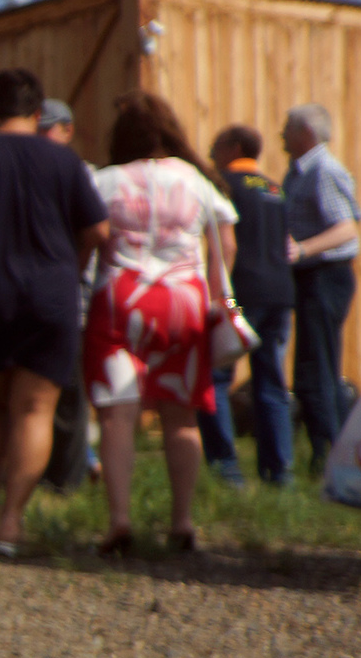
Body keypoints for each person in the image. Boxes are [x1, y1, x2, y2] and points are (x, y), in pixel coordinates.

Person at [0, 68, 108, 557]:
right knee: (35, 409)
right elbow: (99, 230)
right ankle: (12, 522)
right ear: (37, 112)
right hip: (52, 296)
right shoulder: (66, 160)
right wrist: (72, 267)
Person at [85, 92, 236, 556]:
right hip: (184, 302)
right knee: (181, 414)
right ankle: (183, 521)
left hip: (121, 300)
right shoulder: (193, 179)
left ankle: (119, 520)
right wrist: (218, 296)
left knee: (118, 413)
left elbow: (89, 238)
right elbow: (225, 241)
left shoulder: (106, 180)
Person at [197, 125, 296, 487]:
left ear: (234, 147)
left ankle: (226, 469)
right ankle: (280, 471)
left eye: (215, 145)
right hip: (280, 293)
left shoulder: (223, 185)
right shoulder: (275, 187)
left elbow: (226, 244)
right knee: (271, 382)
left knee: (216, 377)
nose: (210, 153)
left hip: (242, 292)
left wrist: (216, 293)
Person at [280, 103, 360, 472]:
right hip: (310, 276)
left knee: (321, 364)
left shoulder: (323, 171)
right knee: (310, 365)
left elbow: (346, 228)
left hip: (326, 275)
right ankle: (321, 448)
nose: (281, 135)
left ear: (305, 134)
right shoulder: (299, 171)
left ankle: (334, 450)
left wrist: (302, 249)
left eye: (287, 129)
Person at [35, 96, 92, 490]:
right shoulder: (25, 169)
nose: (40, 138)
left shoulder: (79, 172)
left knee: (70, 394)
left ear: (68, 131)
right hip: (33, 293)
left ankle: (67, 479)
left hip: (71, 295)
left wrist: (74, 266)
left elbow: (96, 229)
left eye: (48, 130)